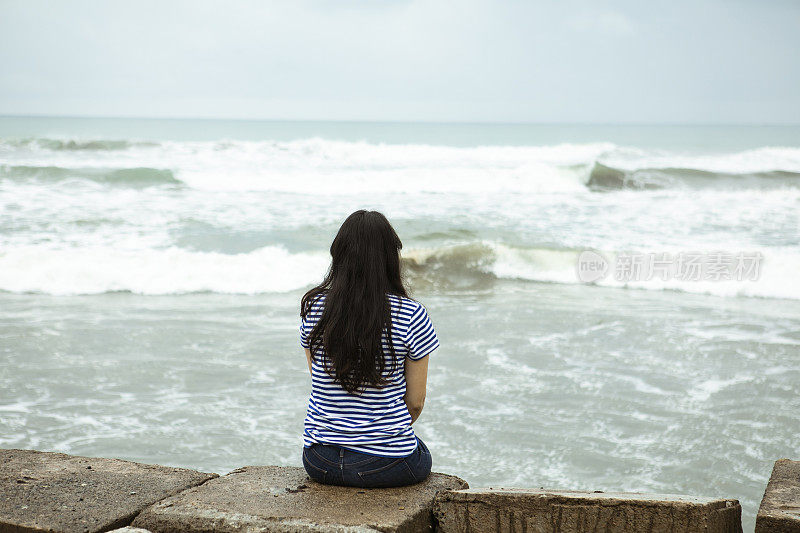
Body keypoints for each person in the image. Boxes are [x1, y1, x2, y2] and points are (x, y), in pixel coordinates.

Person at [299, 210, 439, 488]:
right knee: (420, 452)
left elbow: (320, 380)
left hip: (318, 460)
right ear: (390, 258)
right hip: (382, 465)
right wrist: (379, 437)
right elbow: (415, 402)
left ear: (339, 255)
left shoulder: (314, 307)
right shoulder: (411, 315)